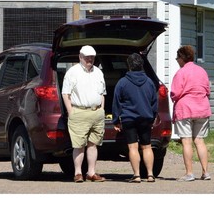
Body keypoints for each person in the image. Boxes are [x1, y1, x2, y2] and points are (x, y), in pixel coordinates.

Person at [62, 45, 106, 183]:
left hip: (96, 113)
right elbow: (65, 93)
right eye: (87, 57)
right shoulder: (72, 72)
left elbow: (102, 93)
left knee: (93, 144)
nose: (89, 59)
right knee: (78, 145)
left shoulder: (98, 72)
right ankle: (78, 173)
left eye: (92, 57)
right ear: (80, 57)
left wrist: (101, 109)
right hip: (79, 112)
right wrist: (71, 112)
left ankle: (91, 173)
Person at [112, 53, 158, 183]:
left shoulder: (123, 82)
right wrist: (153, 116)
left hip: (129, 119)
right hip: (146, 118)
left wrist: (116, 120)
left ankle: (137, 175)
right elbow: (154, 102)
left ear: (129, 66)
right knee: (147, 146)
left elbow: (116, 102)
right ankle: (150, 175)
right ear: (142, 65)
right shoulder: (149, 82)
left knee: (133, 147)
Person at [171, 45, 212, 182]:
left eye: (177, 57)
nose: (177, 60)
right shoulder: (202, 71)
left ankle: (189, 173)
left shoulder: (181, 73)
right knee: (200, 141)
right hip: (202, 108)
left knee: (186, 141)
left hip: (185, 109)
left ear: (182, 58)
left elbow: (175, 93)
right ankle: (205, 172)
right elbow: (207, 90)